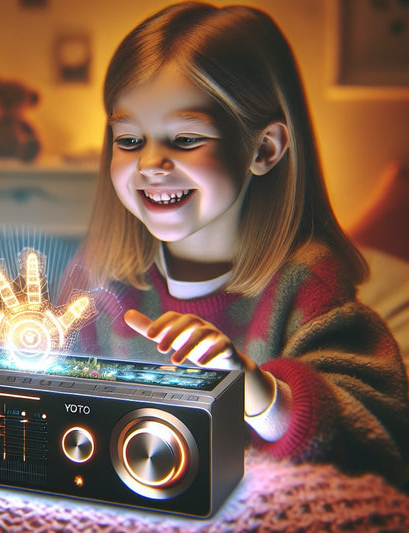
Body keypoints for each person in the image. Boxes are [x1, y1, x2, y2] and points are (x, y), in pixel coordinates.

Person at [64, 2, 409, 484]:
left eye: (184, 139)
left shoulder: (307, 284)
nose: (149, 164)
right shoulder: (96, 275)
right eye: (128, 140)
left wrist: (255, 390)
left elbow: (377, 439)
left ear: (264, 149)